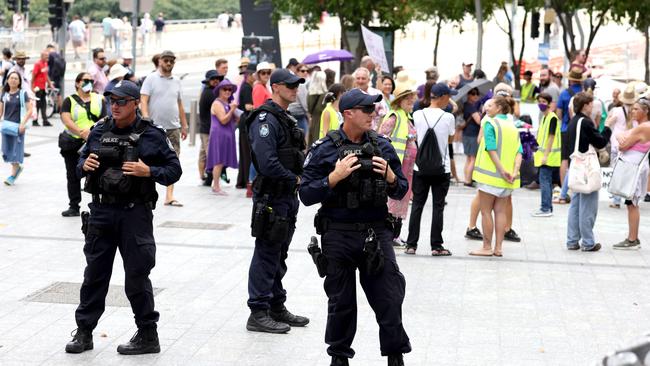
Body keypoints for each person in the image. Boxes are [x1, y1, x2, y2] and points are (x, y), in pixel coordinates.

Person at [65, 80, 181, 355]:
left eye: (120, 102)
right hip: (102, 212)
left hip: (134, 214)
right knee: (94, 274)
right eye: (111, 101)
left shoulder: (151, 134)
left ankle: (148, 335)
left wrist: (148, 172)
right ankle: (84, 333)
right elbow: (80, 165)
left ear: (133, 104)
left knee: (137, 276)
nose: (114, 106)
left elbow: (174, 170)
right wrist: (86, 165)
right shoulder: (100, 130)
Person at [299, 88, 410, 366]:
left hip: (376, 232)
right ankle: (339, 358)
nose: (373, 114)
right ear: (348, 113)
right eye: (367, 110)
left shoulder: (382, 146)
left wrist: (392, 178)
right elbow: (306, 195)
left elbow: (402, 190)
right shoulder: (324, 148)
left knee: (389, 296)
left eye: (374, 109)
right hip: (338, 233)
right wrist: (332, 178)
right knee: (341, 302)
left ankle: (395, 356)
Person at [245, 69, 309, 334]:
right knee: (267, 252)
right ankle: (258, 311)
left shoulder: (285, 118)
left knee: (279, 253)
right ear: (276, 87)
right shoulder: (265, 119)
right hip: (272, 195)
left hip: (286, 196)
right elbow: (267, 161)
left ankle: (275, 305)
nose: (295, 89)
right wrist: (294, 179)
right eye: (290, 85)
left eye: (297, 85)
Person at [404, 83, 457, 256]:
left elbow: (416, 135)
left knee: (417, 205)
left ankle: (411, 244)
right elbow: (450, 139)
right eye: (448, 97)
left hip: (421, 167)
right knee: (438, 207)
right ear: (442, 97)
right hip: (442, 169)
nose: (449, 100)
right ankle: (436, 246)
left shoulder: (417, 114)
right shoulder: (448, 117)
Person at [469, 96, 522, 257]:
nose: (487, 109)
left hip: (490, 177)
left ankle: (486, 247)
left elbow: (490, 149)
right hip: (507, 180)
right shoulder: (512, 127)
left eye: (490, 105)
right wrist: (513, 172)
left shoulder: (489, 123)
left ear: (499, 108)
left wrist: (501, 170)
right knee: (500, 212)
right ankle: (498, 248)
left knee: (486, 212)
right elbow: (519, 152)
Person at [565, 92, 612, 252]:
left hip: (576, 166)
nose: (593, 107)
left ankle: (572, 240)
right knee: (588, 206)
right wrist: (607, 127)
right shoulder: (585, 122)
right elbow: (600, 141)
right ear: (585, 105)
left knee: (576, 204)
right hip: (586, 168)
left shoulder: (573, 121)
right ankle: (588, 242)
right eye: (591, 104)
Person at [140, 50, 187, 207]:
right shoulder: (151, 79)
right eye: (166, 60)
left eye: (171, 61)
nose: (168, 63)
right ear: (159, 61)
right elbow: (144, 100)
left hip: (173, 127)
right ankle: (147, 191)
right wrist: (146, 118)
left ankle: (169, 195)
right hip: (154, 128)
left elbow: (180, 104)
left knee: (173, 160)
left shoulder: (177, 81)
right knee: (150, 158)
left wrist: (184, 124)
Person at [59, 72, 106, 217]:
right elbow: (66, 120)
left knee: (98, 173)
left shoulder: (99, 98)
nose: (89, 83)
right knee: (73, 175)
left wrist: (91, 132)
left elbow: (105, 118)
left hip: (95, 142)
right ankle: (74, 205)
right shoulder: (69, 100)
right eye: (86, 80)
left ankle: (100, 204)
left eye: (91, 80)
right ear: (78, 83)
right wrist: (82, 133)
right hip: (73, 143)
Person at [377, 81, 418, 247]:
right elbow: (381, 137)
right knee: (393, 199)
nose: (411, 102)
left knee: (402, 199)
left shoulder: (407, 117)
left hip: (406, 167)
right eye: (407, 99)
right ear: (400, 101)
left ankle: (396, 233)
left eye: (412, 99)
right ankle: (390, 233)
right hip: (396, 166)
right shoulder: (394, 116)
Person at [611, 99, 650, 250]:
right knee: (631, 202)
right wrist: (622, 136)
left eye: (636, 109)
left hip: (633, 167)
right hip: (635, 166)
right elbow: (622, 136)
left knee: (632, 203)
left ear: (646, 111)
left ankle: (633, 239)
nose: (632, 112)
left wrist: (622, 138)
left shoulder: (643, 127)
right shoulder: (641, 127)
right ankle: (632, 237)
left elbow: (622, 144)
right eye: (632, 109)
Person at [555, 67, 584, 205]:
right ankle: (575, 189)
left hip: (566, 129)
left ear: (571, 79)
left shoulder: (564, 94)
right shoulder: (585, 95)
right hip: (581, 129)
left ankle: (563, 189)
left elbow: (559, 114)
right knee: (577, 158)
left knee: (565, 159)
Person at [606, 85, 636, 208]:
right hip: (631, 144)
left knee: (616, 171)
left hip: (617, 145)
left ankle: (616, 200)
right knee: (628, 172)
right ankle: (630, 197)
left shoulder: (616, 111)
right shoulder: (636, 111)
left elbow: (608, 123)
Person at [207, 80, 239, 195]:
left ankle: (216, 185)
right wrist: (232, 110)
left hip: (226, 135)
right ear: (219, 90)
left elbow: (235, 120)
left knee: (221, 160)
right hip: (219, 135)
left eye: (229, 89)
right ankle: (216, 186)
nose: (227, 91)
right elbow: (223, 120)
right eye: (224, 89)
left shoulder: (227, 103)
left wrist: (234, 111)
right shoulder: (217, 103)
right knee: (218, 161)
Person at [531, 92, 560, 217]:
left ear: (549, 103)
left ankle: (545, 208)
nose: (541, 104)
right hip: (545, 156)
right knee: (546, 182)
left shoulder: (552, 117)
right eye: (539, 101)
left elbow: (551, 137)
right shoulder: (545, 117)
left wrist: (545, 155)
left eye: (543, 102)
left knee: (545, 182)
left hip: (549, 157)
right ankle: (547, 207)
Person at [0, 72, 32, 186]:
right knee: (5, 150)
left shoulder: (23, 94)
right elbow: (0, 111)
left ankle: (12, 175)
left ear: (19, 81)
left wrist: (22, 124)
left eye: (16, 78)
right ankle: (17, 167)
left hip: (18, 127)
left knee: (15, 151)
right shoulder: (4, 94)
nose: (13, 80)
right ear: (7, 80)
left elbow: (30, 110)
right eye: (11, 78)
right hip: (6, 126)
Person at [198, 70, 222, 184]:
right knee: (210, 154)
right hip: (208, 129)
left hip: (204, 128)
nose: (216, 80)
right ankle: (208, 178)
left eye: (217, 78)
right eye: (213, 79)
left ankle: (203, 176)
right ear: (208, 81)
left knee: (203, 153)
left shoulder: (207, 91)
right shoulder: (210, 93)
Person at [236, 64, 256, 189]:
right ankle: (245, 180)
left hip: (244, 121)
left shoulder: (246, 86)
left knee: (245, 153)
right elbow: (248, 106)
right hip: (246, 121)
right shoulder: (247, 87)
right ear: (248, 75)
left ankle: (243, 180)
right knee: (246, 153)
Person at [462, 88, 481, 187]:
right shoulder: (471, 107)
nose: (476, 96)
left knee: (469, 158)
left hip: (466, 133)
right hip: (472, 134)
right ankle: (468, 180)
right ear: (468, 95)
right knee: (473, 158)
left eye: (477, 94)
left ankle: (467, 178)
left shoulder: (465, 105)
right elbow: (478, 121)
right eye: (473, 94)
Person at [287, 63, 310, 135]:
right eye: (303, 71)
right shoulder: (301, 85)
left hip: (292, 114)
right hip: (299, 115)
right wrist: (309, 116)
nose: (305, 73)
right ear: (297, 72)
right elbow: (305, 104)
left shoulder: (299, 84)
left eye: (307, 71)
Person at [32, 50, 52, 127]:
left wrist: (50, 84)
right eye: (46, 56)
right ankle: (35, 121)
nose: (48, 57)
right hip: (37, 87)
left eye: (48, 56)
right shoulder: (37, 64)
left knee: (44, 104)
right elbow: (33, 76)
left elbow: (46, 75)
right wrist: (32, 87)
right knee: (37, 105)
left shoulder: (45, 63)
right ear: (42, 56)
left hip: (43, 87)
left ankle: (45, 120)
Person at [307, 70, 328, 145]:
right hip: (322, 120)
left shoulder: (310, 93)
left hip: (314, 120)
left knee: (313, 141)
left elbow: (309, 109)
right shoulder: (325, 94)